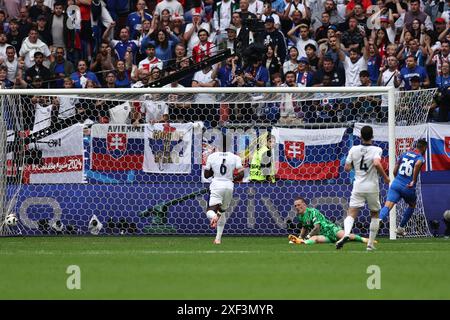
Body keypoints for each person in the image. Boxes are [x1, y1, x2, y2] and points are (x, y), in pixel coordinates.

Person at [336, 125, 390, 251]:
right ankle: (370, 244)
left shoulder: (353, 149)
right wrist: (386, 178)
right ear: (372, 136)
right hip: (372, 186)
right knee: (375, 214)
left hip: (358, 185)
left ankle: (347, 233)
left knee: (352, 212)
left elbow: (347, 168)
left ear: (360, 136)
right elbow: (376, 163)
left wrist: (358, 168)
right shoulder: (377, 149)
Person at [379, 139, 428, 236]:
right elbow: (418, 164)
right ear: (423, 148)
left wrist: (397, 177)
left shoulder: (404, 154)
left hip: (396, 183)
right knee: (412, 204)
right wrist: (413, 180)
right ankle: (401, 228)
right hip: (407, 187)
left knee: (387, 205)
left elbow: (394, 171)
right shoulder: (420, 157)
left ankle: (379, 219)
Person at [288, 197, 374, 246]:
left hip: (331, 230)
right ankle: (301, 242)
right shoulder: (300, 216)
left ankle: (366, 240)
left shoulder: (312, 212)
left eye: (299, 205)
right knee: (315, 239)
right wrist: (300, 237)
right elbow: (304, 227)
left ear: (304, 204)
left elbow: (317, 228)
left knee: (346, 236)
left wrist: (307, 236)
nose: (297, 207)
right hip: (324, 235)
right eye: (295, 206)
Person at [204, 142, 245, 244]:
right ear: (229, 147)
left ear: (218, 147)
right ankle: (218, 239)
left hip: (217, 184)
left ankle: (213, 217)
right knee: (221, 212)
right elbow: (241, 174)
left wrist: (214, 170)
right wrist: (232, 179)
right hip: (229, 186)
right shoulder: (235, 157)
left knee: (211, 211)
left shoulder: (212, 156)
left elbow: (206, 175)